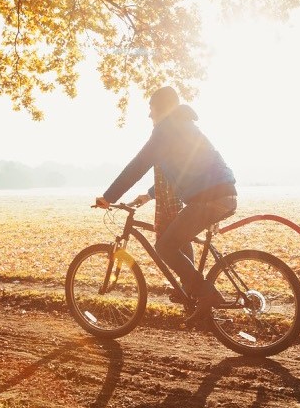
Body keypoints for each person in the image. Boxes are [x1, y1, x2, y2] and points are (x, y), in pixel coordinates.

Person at [94, 86, 237, 322]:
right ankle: (196, 301)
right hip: (222, 194)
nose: (149, 115)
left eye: (151, 109)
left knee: (164, 247)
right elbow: (182, 174)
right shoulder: (185, 126)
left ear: (160, 108)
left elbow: (137, 166)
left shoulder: (165, 130)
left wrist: (108, 197)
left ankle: (206, 295)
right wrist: (150, 194)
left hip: (208, 198)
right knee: (176, 242)